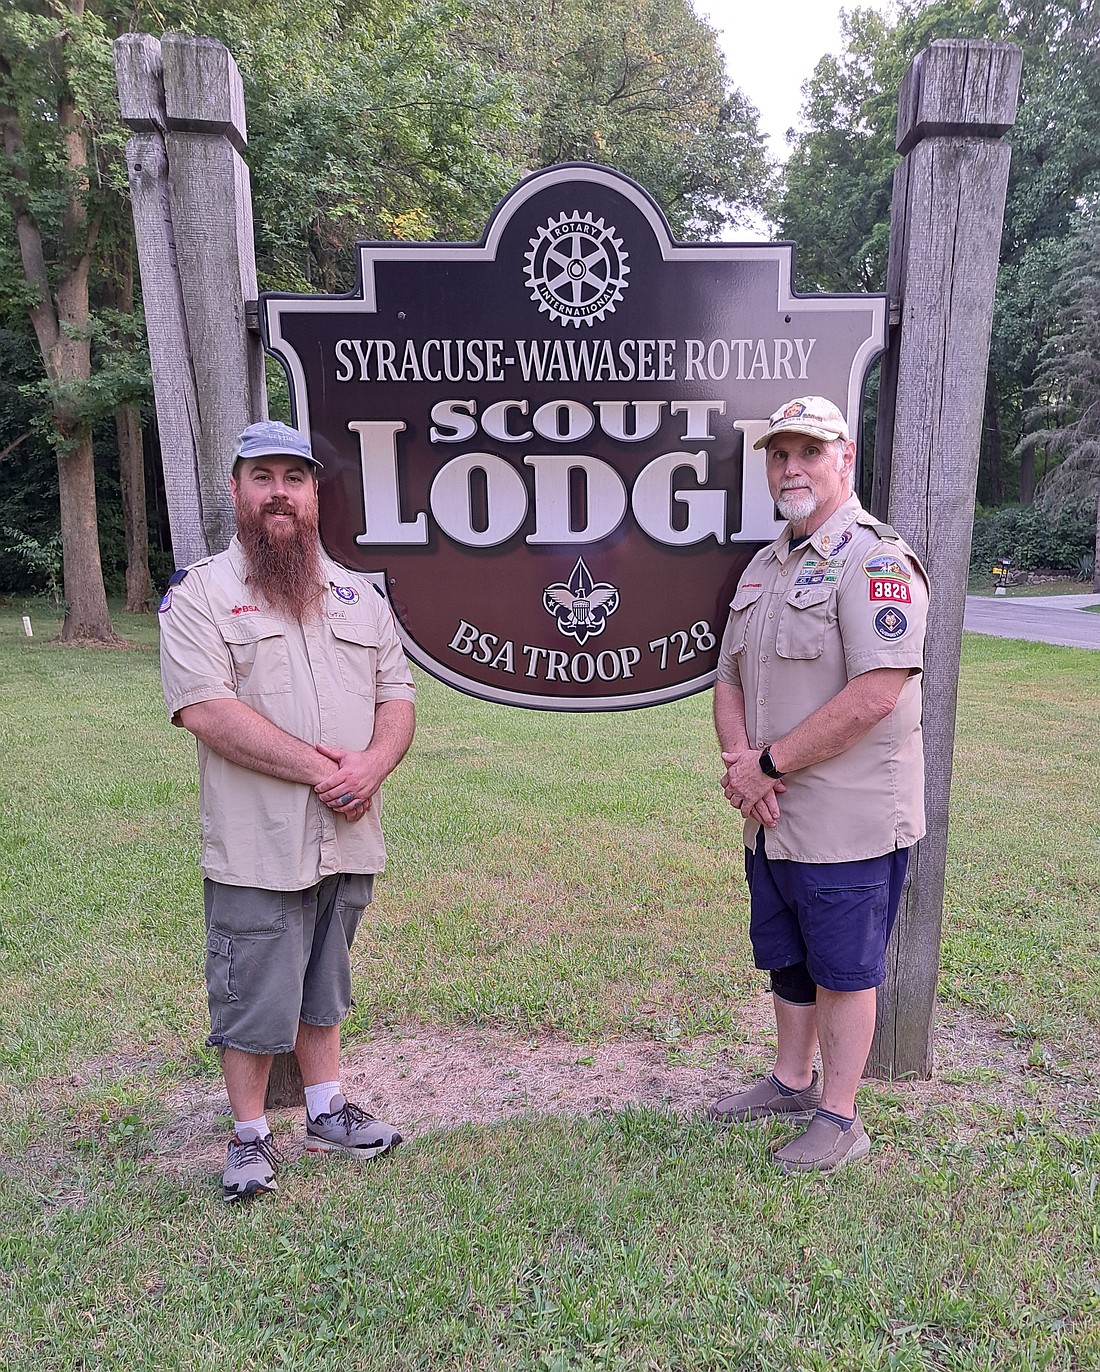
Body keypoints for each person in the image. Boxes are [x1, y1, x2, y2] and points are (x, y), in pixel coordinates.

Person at [159, 420, 416, 1202]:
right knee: (250, 988)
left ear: (313, 494)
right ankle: (247, 1139)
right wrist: (323, 772)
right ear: (237, 491)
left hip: (347, 832)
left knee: (324, 979)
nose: (279, 492)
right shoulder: (201, 595)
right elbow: (205, 709)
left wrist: (372, 764)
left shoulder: (355, 594)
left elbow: (397, 698)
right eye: (262, 476)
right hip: (258, 840)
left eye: (293, 478)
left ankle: (328, 1109)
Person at [708, 396, 929, 1173]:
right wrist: (744, 766)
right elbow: (729, 676)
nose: (791, 467)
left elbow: (879, 691)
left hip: (847, 821)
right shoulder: (766, 566)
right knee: (789, 960)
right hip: (772, 817)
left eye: (809, 451)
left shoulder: (875, 561)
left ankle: (840, 1117)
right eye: (779, 454)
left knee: (842, 968)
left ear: (844, 459)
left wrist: (766, 766)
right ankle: (791, 1082)